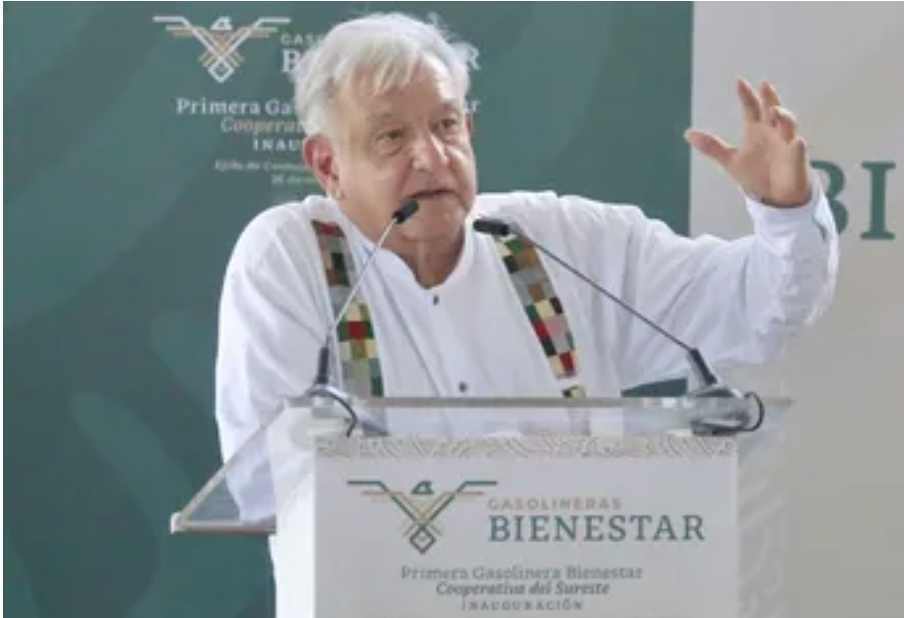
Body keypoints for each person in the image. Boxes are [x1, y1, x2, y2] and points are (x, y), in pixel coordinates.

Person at [212, 11, 838, 616]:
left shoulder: (562, 241)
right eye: (391, 137)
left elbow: (758, 307)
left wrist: (783, 211)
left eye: (445, 125)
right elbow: (270, 482)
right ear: (327, 165)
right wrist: (508, 481)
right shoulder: (291, 258)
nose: (430, 156)